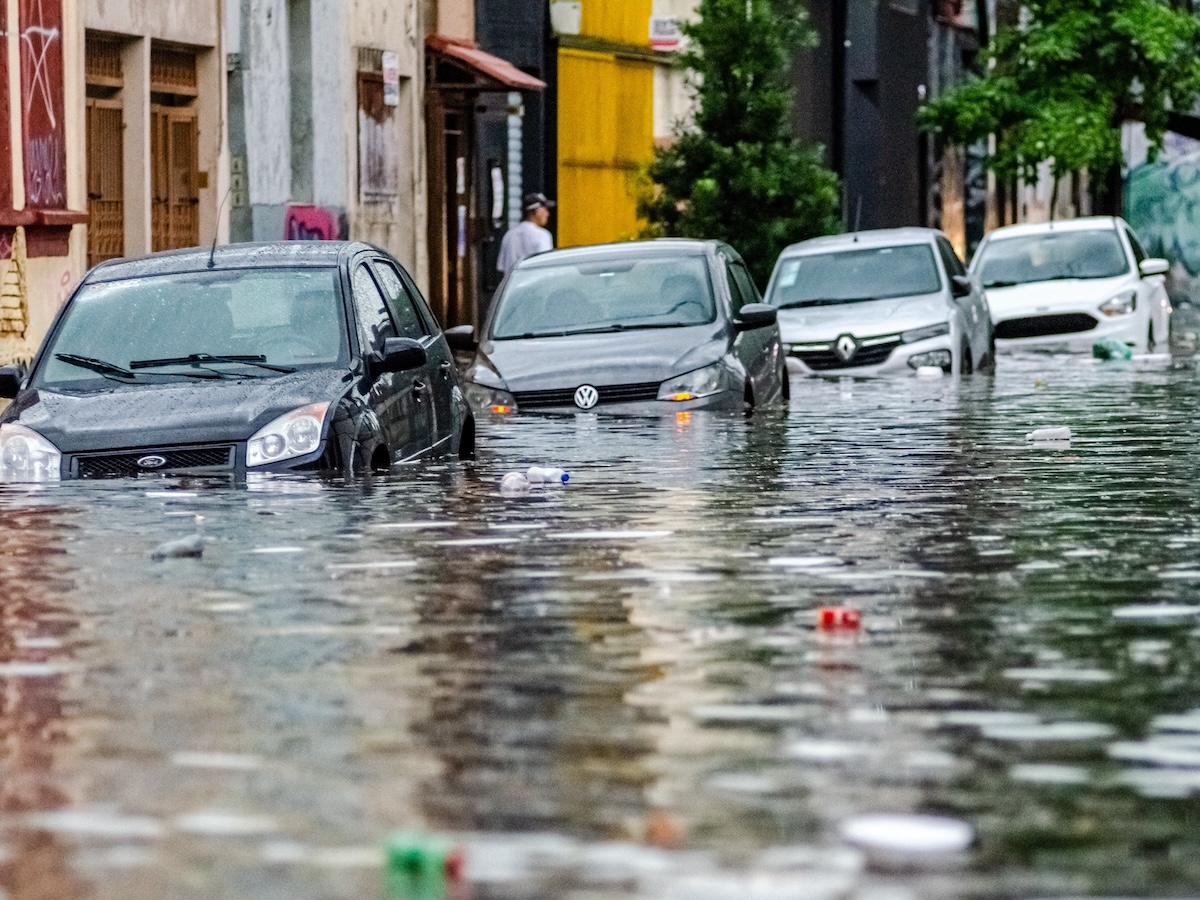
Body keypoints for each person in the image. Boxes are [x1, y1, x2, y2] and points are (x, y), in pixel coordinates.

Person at [497, 192, 555, 277]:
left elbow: (500, 269)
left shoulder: (509, 235)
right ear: (538, 211)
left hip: (512, 288)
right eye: (545, 209)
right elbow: (546, 267)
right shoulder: (542, 235)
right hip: (534, 288)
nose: (548, 214)